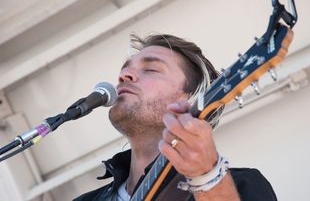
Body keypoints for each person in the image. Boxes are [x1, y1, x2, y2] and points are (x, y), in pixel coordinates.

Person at [73, 33, 277, 201]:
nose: (124, 75)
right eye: (125, 69)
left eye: (151, 69)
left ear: (192, 99)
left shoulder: (240, 185)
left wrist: (206, 177)